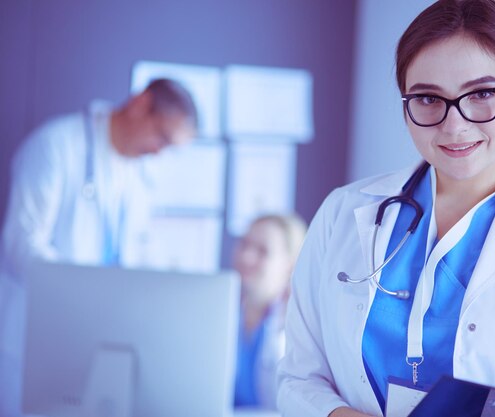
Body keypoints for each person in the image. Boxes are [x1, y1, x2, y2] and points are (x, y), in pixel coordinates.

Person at [276, 1, 495, 417]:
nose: (454, 126)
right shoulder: (342, 213)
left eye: (481, 94)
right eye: (428, 98)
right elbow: (297, 378)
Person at [0, 78, 198, 415]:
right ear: (139, 104)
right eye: (161, 138)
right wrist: (84, 293)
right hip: (34, 334)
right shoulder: (56, 146)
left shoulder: (139, 178)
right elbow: (20, 244)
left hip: (93, 339)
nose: (158, 153)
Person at [232, 214, 307, 410]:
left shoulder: (301, 327)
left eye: (262, 251)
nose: (246, 257)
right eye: (244, 245)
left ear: (289, 264)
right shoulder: (222, 314)